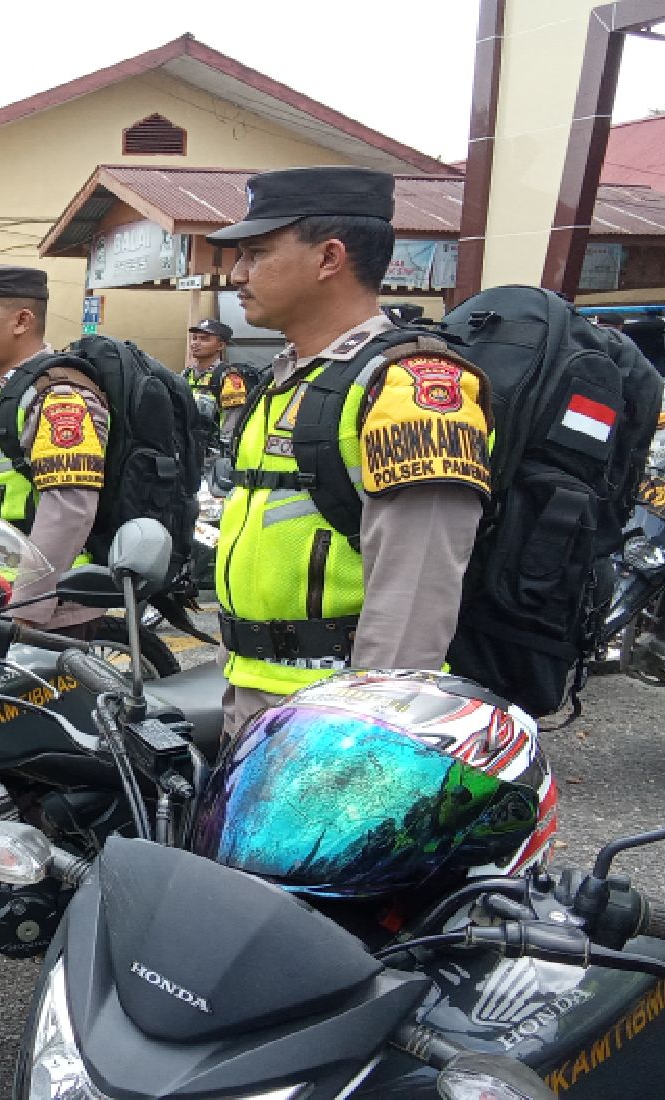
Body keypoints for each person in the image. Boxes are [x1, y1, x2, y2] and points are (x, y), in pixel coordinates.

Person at [207, 166, 492, 736]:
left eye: (257, 253)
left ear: (329, 258)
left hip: (334, 718)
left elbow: (415, 588)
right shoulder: (288, 379)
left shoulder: (411, 387)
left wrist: (365, 734)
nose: (238, 274)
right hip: (259, 694)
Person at [0, 266, 109, 636]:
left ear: (21, 321)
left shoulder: (57, 395)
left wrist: (25, 610)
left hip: (31, 615)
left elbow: (69, 508)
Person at [183, 318, 255, 446]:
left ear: (220, 345)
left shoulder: (228, 377)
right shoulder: (186, 374)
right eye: (194, 338)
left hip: (213, 451)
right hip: (188, 446)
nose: (195, 343)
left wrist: (223, 452)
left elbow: (232, 421)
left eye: (204, 339)